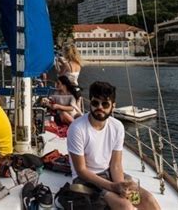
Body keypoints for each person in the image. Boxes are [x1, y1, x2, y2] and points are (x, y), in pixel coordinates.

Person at [67, 81, 160, 210]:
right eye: (95, 103)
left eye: (105, 104)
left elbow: (115, 165)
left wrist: (120, 186)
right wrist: (113, 187)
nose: (100, 107)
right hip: (87, 179)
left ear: (113, 106)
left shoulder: (117, 127)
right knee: (125, 206)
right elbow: (81, 171)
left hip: (109, 174)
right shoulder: (77, 128)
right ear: (90, 103)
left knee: (149, 200)